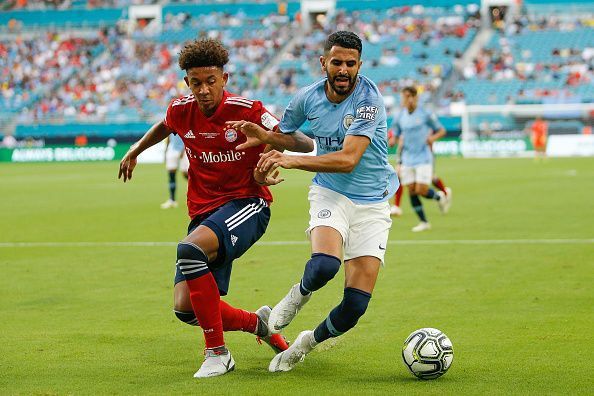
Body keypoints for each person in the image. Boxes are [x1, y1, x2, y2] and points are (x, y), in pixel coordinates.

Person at [118, 38, 313, 379]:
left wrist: (267, 138)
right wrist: (136, 148)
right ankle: (259, 323)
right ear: (187, 83)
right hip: (204, 213)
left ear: (224, 78)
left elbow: (304, 142)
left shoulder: (248, 110)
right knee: (186, 308)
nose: (204, 89)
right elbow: (166, 123)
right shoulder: (181, 110)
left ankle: (217, 353)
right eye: (196, 83)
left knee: (188, 250)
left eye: (211, 81)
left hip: (247, 204)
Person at [227, 31, 398, 372]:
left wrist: (289, 160)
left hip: (373, 203)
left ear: (360, 65)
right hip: (331, 193)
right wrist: (266, 137)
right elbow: (294, 139)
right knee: (324, 266)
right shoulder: (306, 98)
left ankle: (304, 343)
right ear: (324, 63)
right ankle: (297, 296)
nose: (344, 70)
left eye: (351, 63)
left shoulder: (368, 100)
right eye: (337, 62)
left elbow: (348, 158)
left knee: (354, 307)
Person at [391, 86, 450, 232]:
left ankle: (439, 196)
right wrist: (393, 139)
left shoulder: (425, 113)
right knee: (411, 190)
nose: (408, 99)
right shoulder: (400, 116)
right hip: (407, 158)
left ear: (416, 98)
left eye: (411, 96)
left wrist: (432, 138)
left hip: (423, 157)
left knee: (421, 189)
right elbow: (395, 132)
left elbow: (442, 130)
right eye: (405, 96)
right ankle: (424, 222)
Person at [161, 133, 189, 209]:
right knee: (171, 175)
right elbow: (168, 137)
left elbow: (187, 137)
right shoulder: (170, 123)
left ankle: (195, 195)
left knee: (187, 174)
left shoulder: (183, 123)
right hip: (172, 150)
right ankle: (172, 200)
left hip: (185, 151)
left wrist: (184, 150)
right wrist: (166, 150)